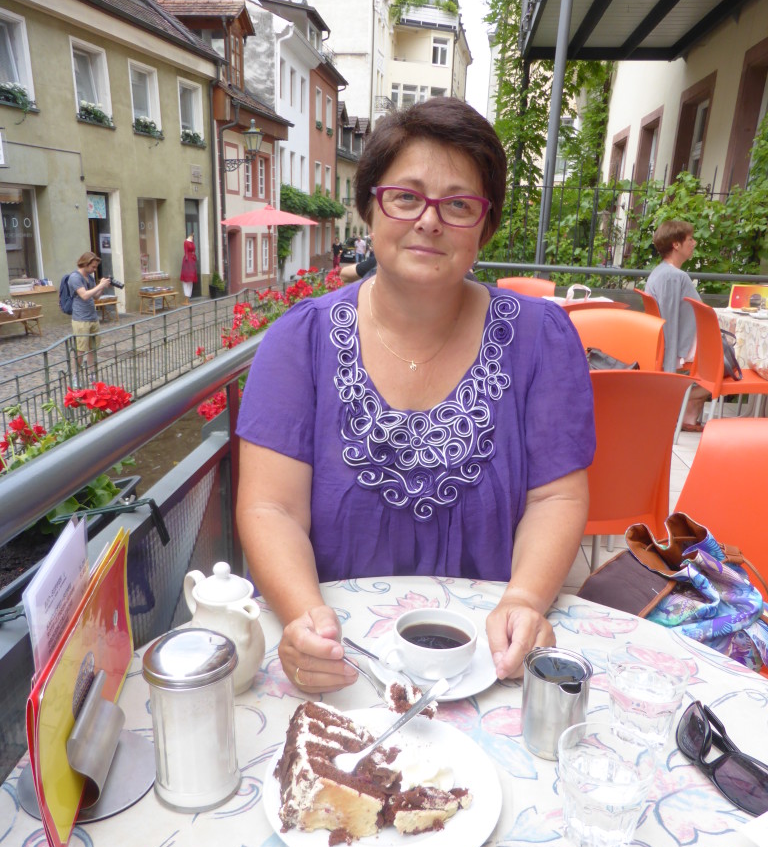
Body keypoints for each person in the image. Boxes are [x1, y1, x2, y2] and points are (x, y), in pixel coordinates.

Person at [235, 97, 595, 693]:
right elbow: (271, 508)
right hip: (341, 660)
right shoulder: (300, 341)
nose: (430, 220)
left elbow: (556, 496)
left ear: (486, 224)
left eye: (458, 204)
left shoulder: (541, 339)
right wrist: (304, 620)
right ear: (370, 209)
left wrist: (527, 599)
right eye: (406, 197)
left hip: (488, 658)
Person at [645, 219, 710, 431]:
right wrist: (669, 372)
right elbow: (669, 320)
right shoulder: (674, 277)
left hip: (685, 343)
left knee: (729, 353)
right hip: (686, 346)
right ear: (676, 244)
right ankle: (679, 403)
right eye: (690, 239)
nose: (694, 243)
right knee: (735, 359)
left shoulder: (661, 272)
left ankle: (688, 413)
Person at [70, 251, 111, 376]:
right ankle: (75, 376)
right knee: (80, 350)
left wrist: (102, 286)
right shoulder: (75, 277)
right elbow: (85, 295)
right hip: (81, 319)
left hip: (93, 317)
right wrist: (100, 286)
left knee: (92, 348)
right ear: (85, 263)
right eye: (93, 266)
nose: (94, 269)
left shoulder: (90, 278)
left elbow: (96, 297)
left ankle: (92, 374)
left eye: (96, 267)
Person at [180, 235, 197, 303]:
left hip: (190, 261)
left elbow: (187, 251)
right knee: (187, 280)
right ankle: (187, 298)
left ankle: (187, 298)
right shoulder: (187, 242)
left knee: (189, 280)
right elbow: (186, 251)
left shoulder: (191, 242)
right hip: (189, 261)